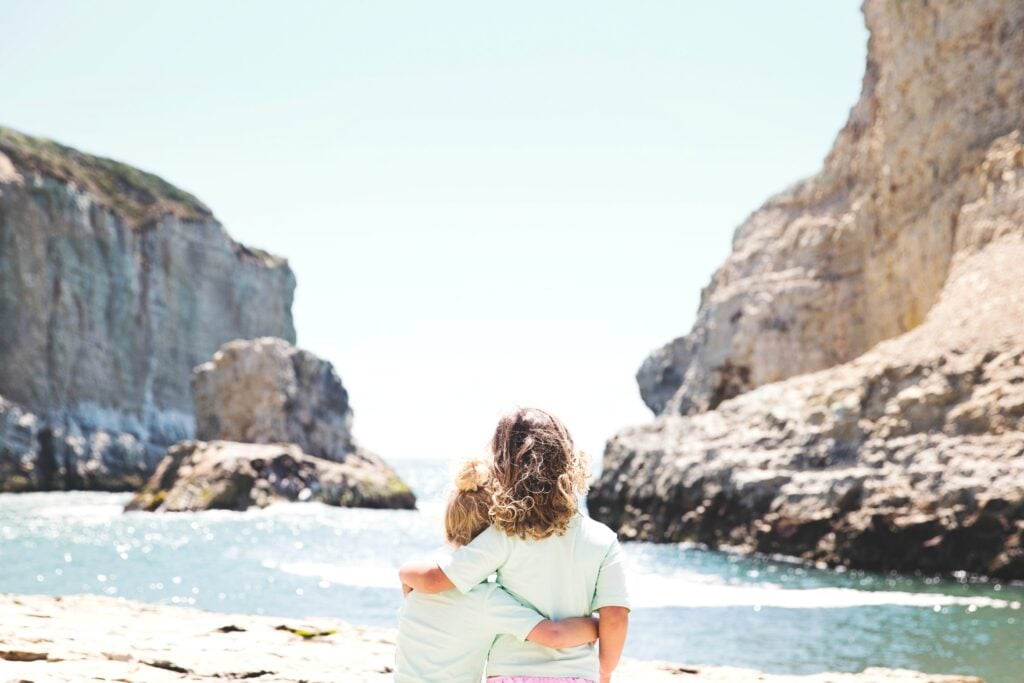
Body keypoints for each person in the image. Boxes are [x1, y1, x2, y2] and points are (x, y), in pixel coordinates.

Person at [400, 408, 631, 683]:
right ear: (570, 461)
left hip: (510, 673)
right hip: (577, 674)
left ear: (501, 467)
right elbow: (615, 617)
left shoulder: (505, 533)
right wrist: (604, 669)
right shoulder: (603, 539)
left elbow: (436, 579)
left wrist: (405, 576)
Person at [394, 457, 600, 683]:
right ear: (494, 541)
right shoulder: (487, 599)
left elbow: (407, 577)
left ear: (448, 523)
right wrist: (597, 626)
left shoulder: (417, 579)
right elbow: (554, 635)